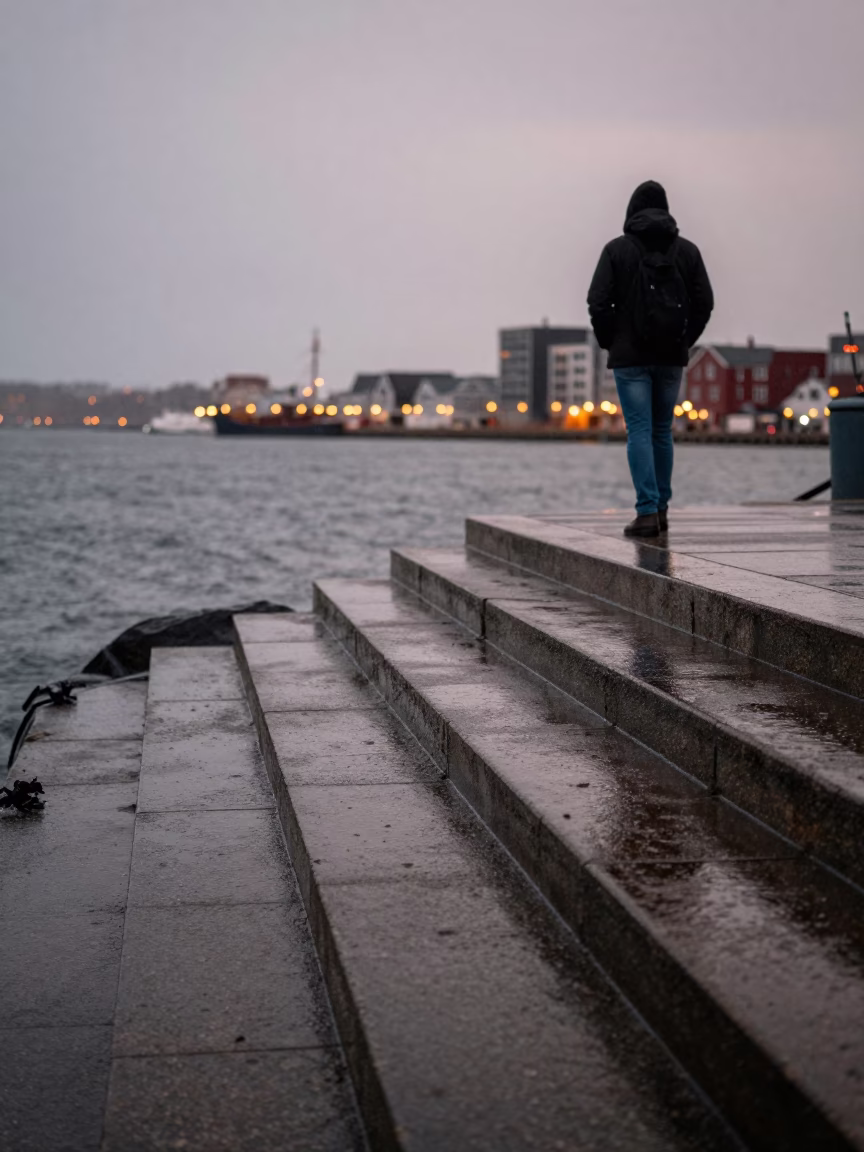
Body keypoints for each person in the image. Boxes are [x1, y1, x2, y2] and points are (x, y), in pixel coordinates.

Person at [587, 181, 713, 537]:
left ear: (631, 211)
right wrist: (685, 340)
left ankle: (645, 513)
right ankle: (661, 509)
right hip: (671, 355)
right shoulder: (687, 251)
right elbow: (705, 303)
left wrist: (613, 342)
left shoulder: (616, 250)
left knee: (639, 430)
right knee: (662, 431)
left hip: (631, 359)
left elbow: (597, 302)